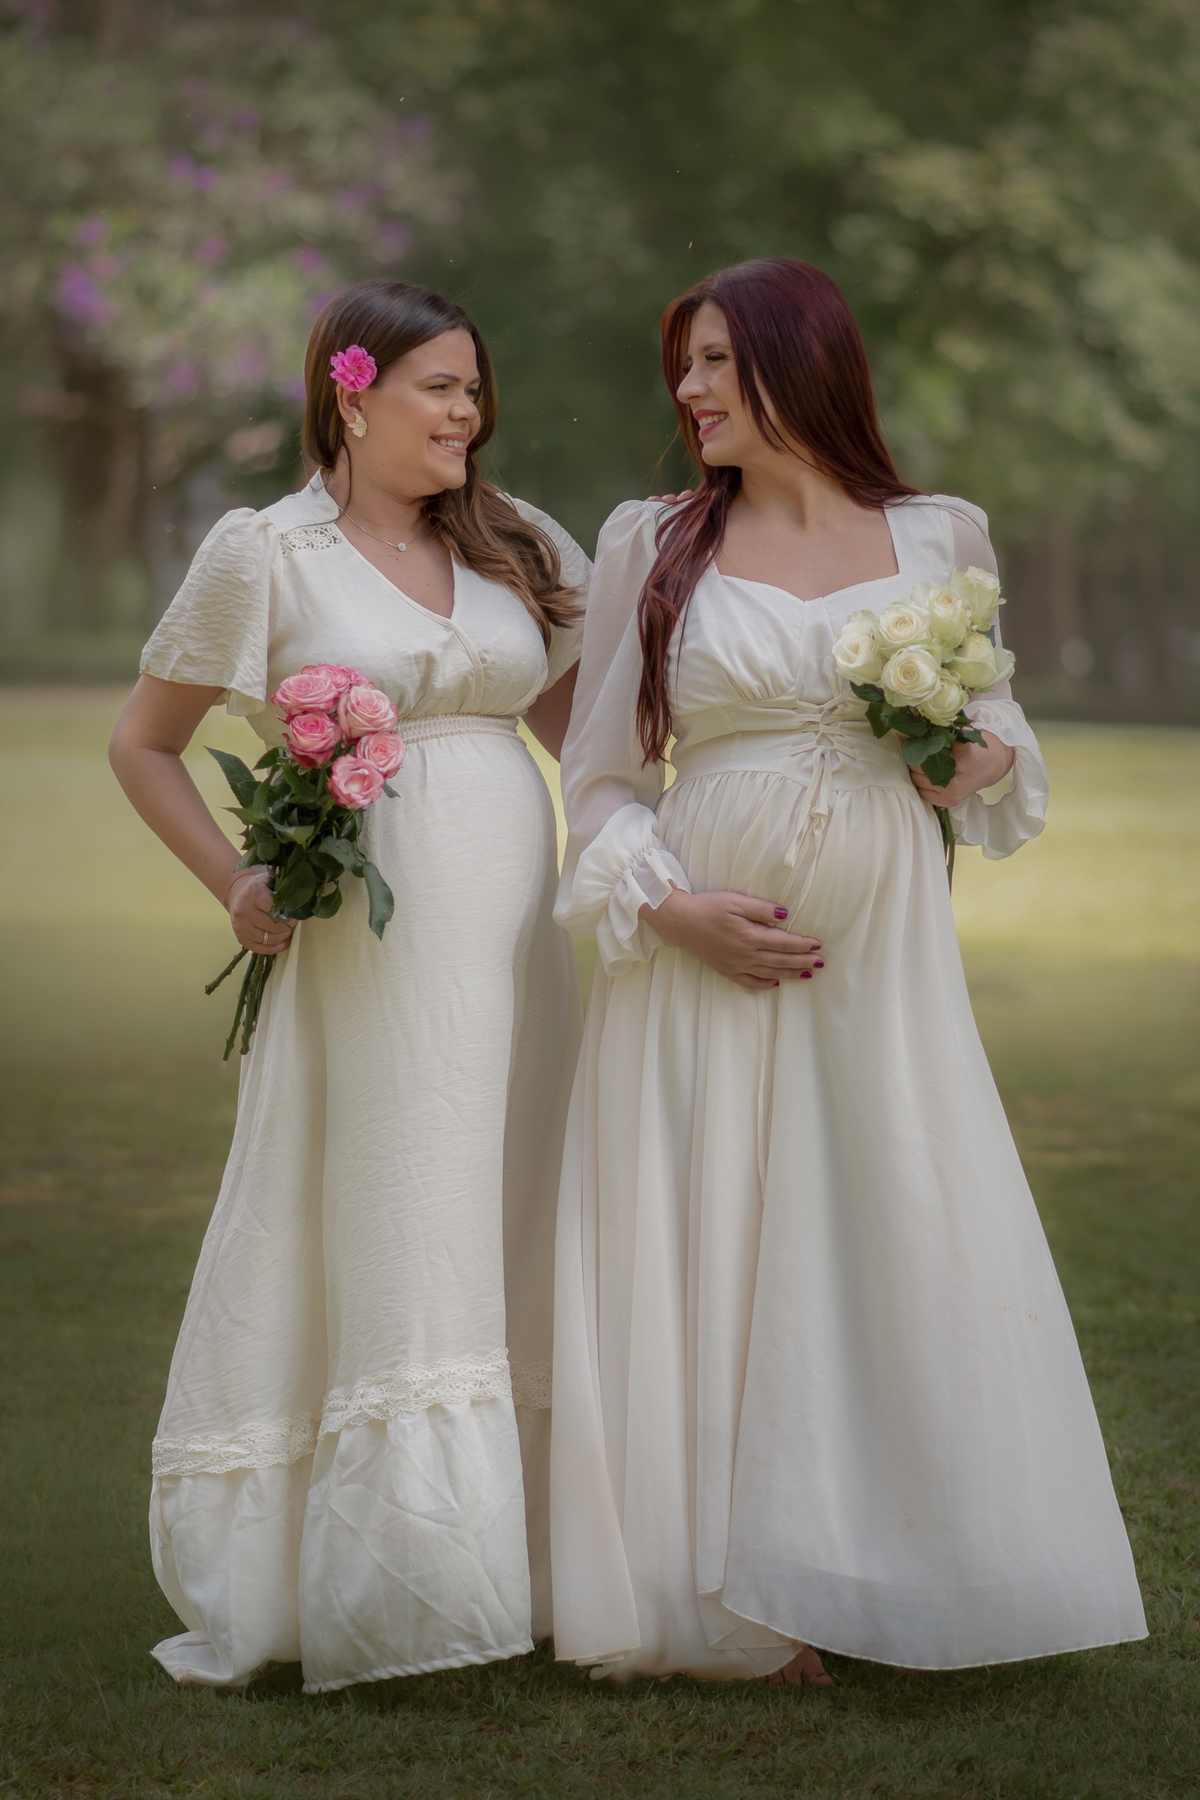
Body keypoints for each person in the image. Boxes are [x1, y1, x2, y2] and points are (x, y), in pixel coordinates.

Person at [549, 257, 1146, 1685]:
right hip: (700, 962)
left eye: (714, 360)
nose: (687, 389)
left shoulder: (937, 535)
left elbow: (998, 734)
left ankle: (892, 1562)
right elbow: (600, 779)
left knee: (879, 1223)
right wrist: (671, 908)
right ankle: (732, 1599)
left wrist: (970, 752)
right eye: (684, 363)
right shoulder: (654, 543)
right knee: (720, 1241)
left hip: (881, 965)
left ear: (798, 363)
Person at [109, 280, 590, 1692]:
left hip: (519, 941)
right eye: (441, 387)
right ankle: (407, 1586)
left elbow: (589, 736)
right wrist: (235, 881)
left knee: (515, 1193)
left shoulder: (514, 539)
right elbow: (144, 743)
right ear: (353, 391)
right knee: (407, 1209)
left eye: (475, 389)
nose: (468, 413)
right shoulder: (265, 554)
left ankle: (540, 1554)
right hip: (374, 951)